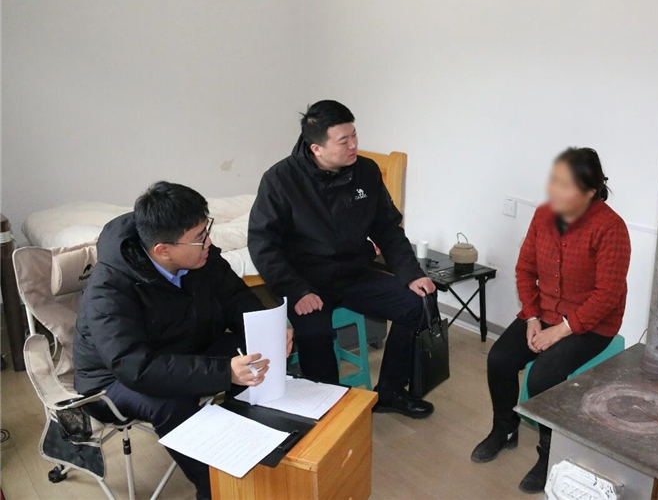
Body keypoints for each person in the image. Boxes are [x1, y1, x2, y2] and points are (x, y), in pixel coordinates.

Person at [73, 182, 292, 500]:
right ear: (163, 250)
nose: (208, 242)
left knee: (257, 353)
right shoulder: (109, 289)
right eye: (200, 237)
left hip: (182, 349)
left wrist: (267, 331)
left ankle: (258, 450)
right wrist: (224, 372)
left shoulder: (199, 256)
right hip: (114, 379)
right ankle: (214, 488)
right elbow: (135, 367)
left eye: (206, 230)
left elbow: (236, 298)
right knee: (172, 403)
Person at [248, 100, 437, 419]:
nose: (353, 145)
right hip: (306, 281)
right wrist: (296, 290)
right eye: (343, 140)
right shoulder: (281, 179)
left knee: (418, 304)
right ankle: (328, 407)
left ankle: (390, 391)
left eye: (354, 135)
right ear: (316, 148)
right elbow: (262, 243)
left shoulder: (366, 171)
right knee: (315, 334)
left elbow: (388, 229)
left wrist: (412, 274)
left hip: (354, 273)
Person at [470, 148, 631, 494]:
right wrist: (531, 317)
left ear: (590, 191)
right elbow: (525, 269)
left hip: (592, 322)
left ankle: (550, 452)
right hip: (543, 311)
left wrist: (560, 331)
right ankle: (504, 429)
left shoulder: (610, 228)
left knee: (543, 375)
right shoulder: (544, 215)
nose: (555, 191)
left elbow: (607, 295)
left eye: (566, 185)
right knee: (499, 359)